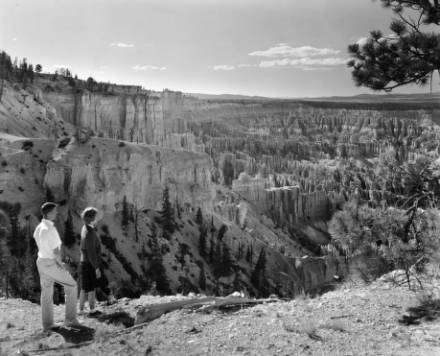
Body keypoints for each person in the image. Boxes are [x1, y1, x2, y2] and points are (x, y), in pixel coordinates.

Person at [33, 202, 80, 331]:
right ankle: (70, 320)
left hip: (41, 261)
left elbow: (38, 242)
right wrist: (63, 265)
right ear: (48, 213)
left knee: (46, 292)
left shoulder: (39, 227)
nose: (57, 213)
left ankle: (47, 325)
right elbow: (56, 252)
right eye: (54, 211)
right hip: (50, 262)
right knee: (72, 286)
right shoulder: (50, 229)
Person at [79, 207, 102, 314]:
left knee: (84, 285)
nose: (97, 219)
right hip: (89, 263)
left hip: (84, 261)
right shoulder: (90, 233)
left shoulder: (84, 228)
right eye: (95, 217)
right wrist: (96, 267)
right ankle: (92, 308)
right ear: (91, 218)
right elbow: (92, 252)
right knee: (91, 286)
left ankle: (81, 308)